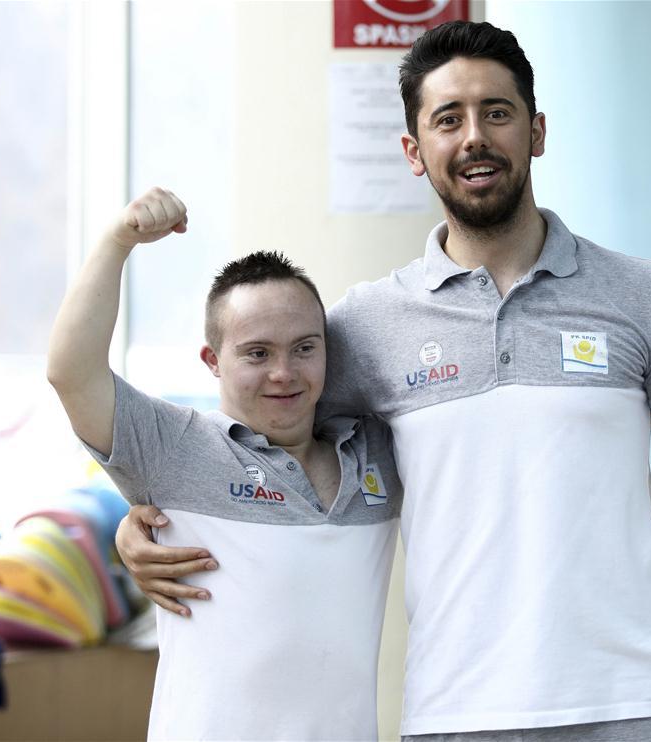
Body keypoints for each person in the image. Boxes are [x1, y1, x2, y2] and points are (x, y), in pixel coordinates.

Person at [115, 22, 651, 742]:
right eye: (448, 119)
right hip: (455, 713)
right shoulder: (367, 326)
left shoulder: (642, 293)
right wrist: (152, 518)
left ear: (535, 133)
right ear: (415, 152)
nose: (473, 136)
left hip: (641, 704)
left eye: (495, 112)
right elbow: (266, 442)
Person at [46, 187, 401, 741]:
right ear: (213, 361)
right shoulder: (175, 447)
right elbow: (72, 372)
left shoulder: (378, 449)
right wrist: (118, 242)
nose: (283, 372)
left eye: (304, 348)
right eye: (257, 353)